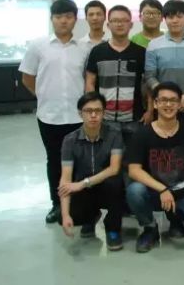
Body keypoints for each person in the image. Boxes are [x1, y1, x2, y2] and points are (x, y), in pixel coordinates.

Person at [19, 0, 91, 224]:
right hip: (49, 116)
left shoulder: (84, 48)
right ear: (52, 19)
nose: (63, 21)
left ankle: (78, 204)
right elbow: (27, 77)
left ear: (75, 20)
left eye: (68, 17)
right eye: (59, 17)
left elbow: (88, 79)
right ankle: (56, 204)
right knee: (54, 160)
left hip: (77, 117)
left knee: (79, 162)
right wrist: (42, 96)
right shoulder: (38, 46)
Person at [126, 82, 184, 253]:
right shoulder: (142, 134)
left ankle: (176, 219)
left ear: (180, 104)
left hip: (182, 190)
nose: (168, 104)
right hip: (153, 191)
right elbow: (133, 170)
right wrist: (163, 189)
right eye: (163, 100)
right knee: (134, 190)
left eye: (173, 100)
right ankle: (149, 228)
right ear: (155, 104)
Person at [58, 92, 125, 251]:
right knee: (66, 215)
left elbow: (114, 168)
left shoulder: (114, 134)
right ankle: (90, 218)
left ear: (103, 113)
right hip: (85, 189)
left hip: (106, 185)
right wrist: (65, 215)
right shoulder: (70, 140)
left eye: (98, 111)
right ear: (80, 113)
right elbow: (65, 179)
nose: (93, 115)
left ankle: (113, 229)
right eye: (88, 111)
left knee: (115, 183)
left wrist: (83, 183)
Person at [85, 5, 152, 146]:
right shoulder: (97, 51)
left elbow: (148, 83)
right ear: (108, 25)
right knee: (106, 156)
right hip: (105, 118)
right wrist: (94, 110)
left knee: (132, 156)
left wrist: (150, 110)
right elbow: (90, 82)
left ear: (131, 24)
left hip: (134, 118)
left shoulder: (141, 52)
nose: (119, 24)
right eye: (115, 21)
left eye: (124, 20)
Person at [145, 0, 184, 134]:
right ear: (164, 19)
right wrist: (167, 98)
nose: (174, 21)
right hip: (163, 108)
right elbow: (150, 77)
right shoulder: (154, 45)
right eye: (170, 17)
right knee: (164, 144)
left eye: (179, 16)